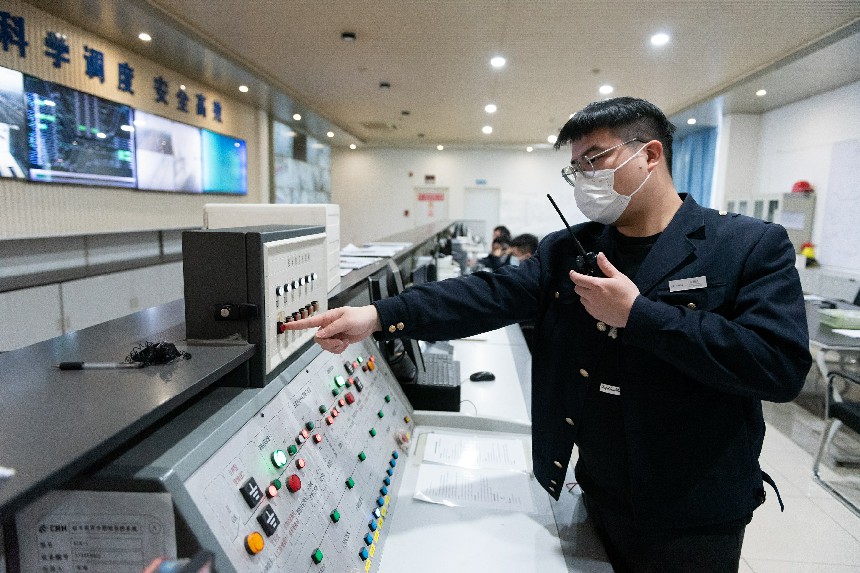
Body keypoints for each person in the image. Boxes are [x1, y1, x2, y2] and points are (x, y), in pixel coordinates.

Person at [285, 97, 812, 572]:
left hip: (693, 512)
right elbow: (485, 295)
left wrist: (641, 316)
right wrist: (376, 317)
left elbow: (778, 364)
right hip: (599, 490)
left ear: (650, 155)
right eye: (574, 166)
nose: (583, 177)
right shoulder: (567, 249)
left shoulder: (745, 246)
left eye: (595, 159)